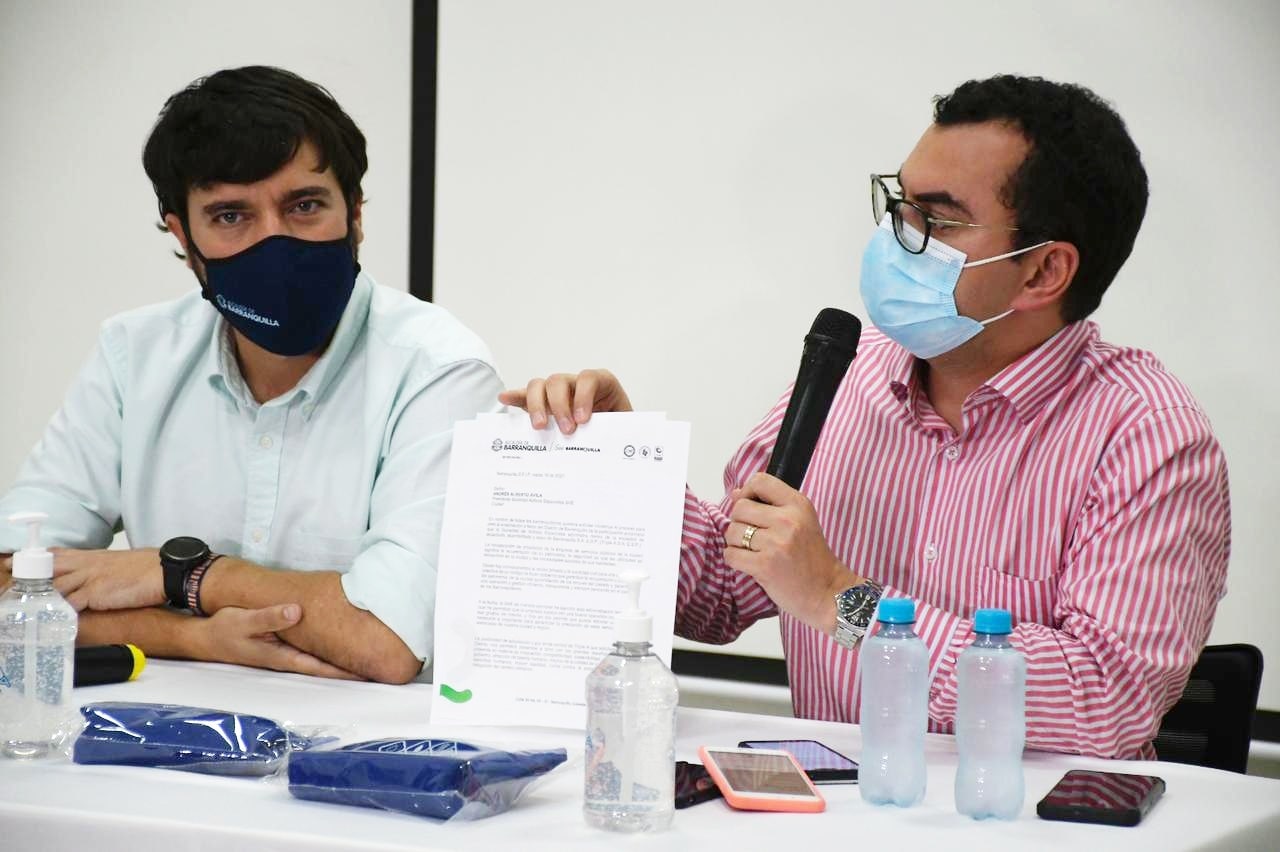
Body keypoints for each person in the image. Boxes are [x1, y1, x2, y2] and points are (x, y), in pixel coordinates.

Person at [504, 75, 1230, 758]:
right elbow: (723, 591)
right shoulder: (850, 374)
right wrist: (621, 466)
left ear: (1043, 271)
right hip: (829, 812)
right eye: (899, 205)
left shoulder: (1149, 437)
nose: (896, 236)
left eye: (937, 219)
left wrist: (843, 604)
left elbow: (1104, 703)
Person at [0, 66, 502, 684]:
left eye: (305, 206)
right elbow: (10, 589)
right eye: (232, 216)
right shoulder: (135, 353)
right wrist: (193, 636)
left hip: (369, 754)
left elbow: (384, 641)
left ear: (356, 214)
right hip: (164, 742)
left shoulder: (440, 369)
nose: (275, 242)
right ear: (184, 238)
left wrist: (182, 573)